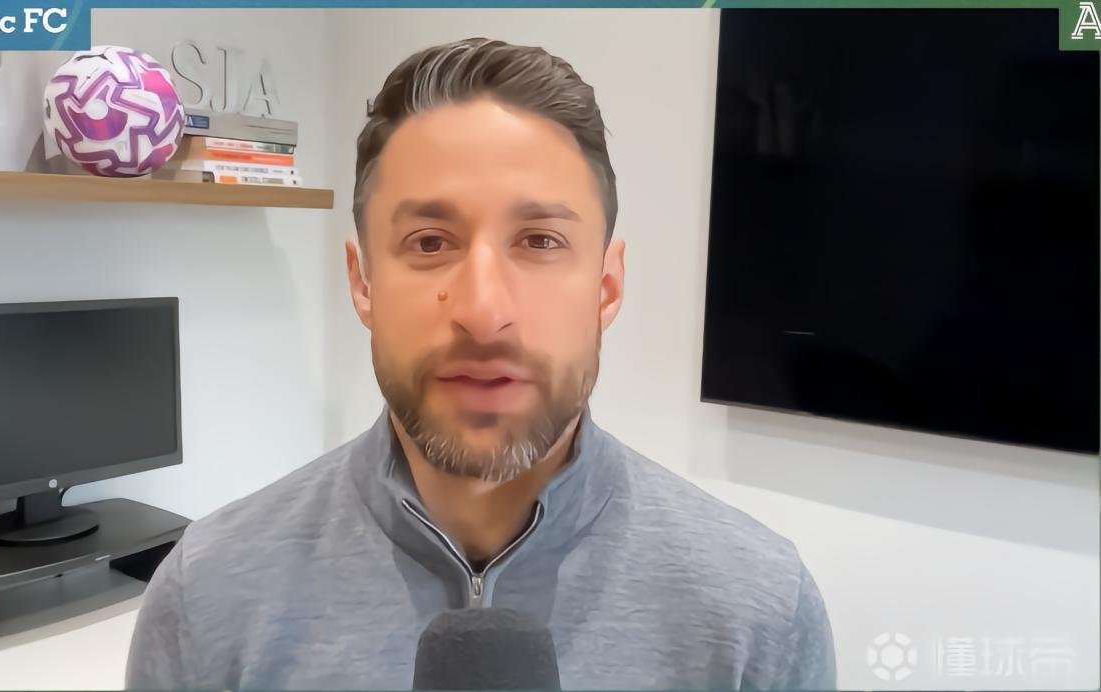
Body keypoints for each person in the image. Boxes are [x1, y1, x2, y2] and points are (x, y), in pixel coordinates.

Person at [126, 37, 836, 690]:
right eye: (430, 242)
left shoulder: (759, 611)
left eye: (540, 241)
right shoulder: (208, 594)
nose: (483, 310)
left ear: (606, 287)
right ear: (363, 283)